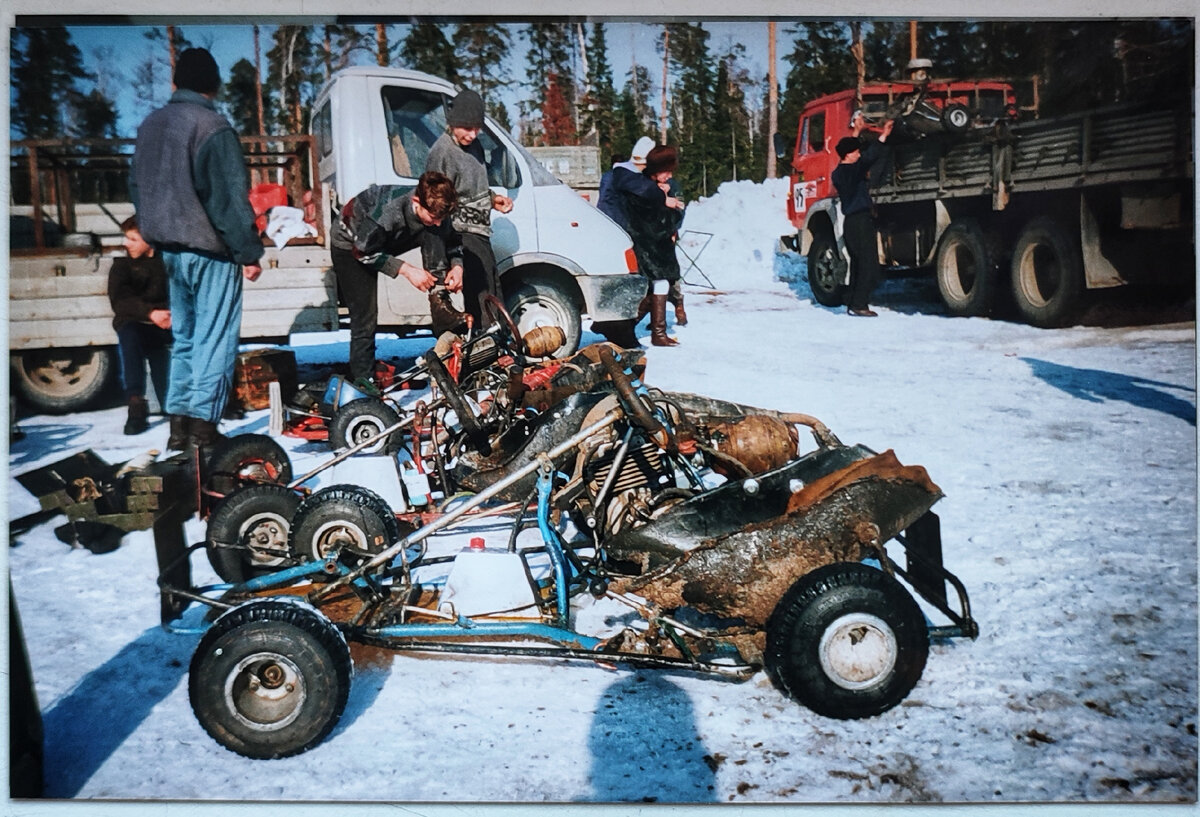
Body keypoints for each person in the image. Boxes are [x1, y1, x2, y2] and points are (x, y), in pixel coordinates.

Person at [130, 47, 264, 450]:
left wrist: (156, 232)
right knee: (214, 340)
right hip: (210, 251)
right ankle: (204, 434)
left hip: (169, 251)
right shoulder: (212, 126)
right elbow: (227, 198)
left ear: (175, 83)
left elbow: (136, 189)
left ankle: (179, 429)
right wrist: (248, 252)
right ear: (215, 85)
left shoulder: (149, 126)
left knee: (185, 341)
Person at [331, 172, 463, 391]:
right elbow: (362, 252)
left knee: (435, 232)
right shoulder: (389, 211)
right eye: (433, 216)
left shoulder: (437, 209)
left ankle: (441, 305)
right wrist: (407, 270)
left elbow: (452, 240)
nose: (439, 222)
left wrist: (457, 266)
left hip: (384, 239)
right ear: (416, 202)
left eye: (442, 218)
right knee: (365, 317)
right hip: (352, 244)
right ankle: (363, 382)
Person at [425, 89, 513, 330]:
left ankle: (495, 346)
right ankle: (488, 348)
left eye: (477, 128)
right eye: (466, 127)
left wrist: (493, 199)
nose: (472, 134)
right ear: (453, 123)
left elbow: (472, 187)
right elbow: (434, 200)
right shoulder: (442, 152)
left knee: (492, 289)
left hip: (481, 231)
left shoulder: (474, 147)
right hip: (461, 232)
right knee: (482, 295)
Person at [108, 216, 172, 435]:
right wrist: (150, 313)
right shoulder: (122, 267)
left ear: (149, 240)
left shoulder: (168, 261)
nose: (126, 244)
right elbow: (121, 301)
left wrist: (172, 314)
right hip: (139, 324)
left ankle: (212, 402)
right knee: (130, 335)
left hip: (169, 323)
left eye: (133, 239)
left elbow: (182, 291)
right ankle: (136, 406)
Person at [621, 145, 686, 347]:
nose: (669, 176)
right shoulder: (647, 191)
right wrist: (670, 206)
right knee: (659, 284)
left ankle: (634, 328)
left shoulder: (646, 187)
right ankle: (654, 332)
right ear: (656, 170)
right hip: (650, 246)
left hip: (653, 245)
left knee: (657, 287)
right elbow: (657, 223)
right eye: (666, 171)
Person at [831, 118, 894, 317]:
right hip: (860, 221)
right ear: (849, 155)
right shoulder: (852, 170)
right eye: (856, 152)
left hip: (851, 222)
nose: (859, 154)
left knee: (858, 262)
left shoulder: (839, 172)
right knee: (868, 263)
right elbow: (869, 157)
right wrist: (883, 135)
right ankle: (859, 305)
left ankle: (851, 300)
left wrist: (856, 132)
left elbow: (854, 153)